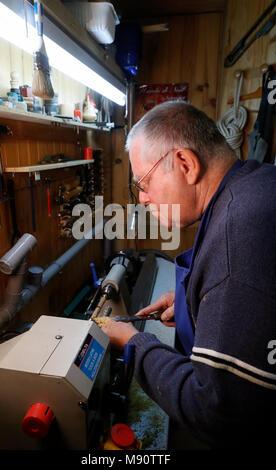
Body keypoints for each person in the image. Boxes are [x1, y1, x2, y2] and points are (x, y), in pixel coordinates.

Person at [101, 101, 276, 448]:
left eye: (144, 184)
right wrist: (193, 300)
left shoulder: (236, 241)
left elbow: (217, 413)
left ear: (185, 163)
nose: (145, 199)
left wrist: (136, 344)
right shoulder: (255, 184)